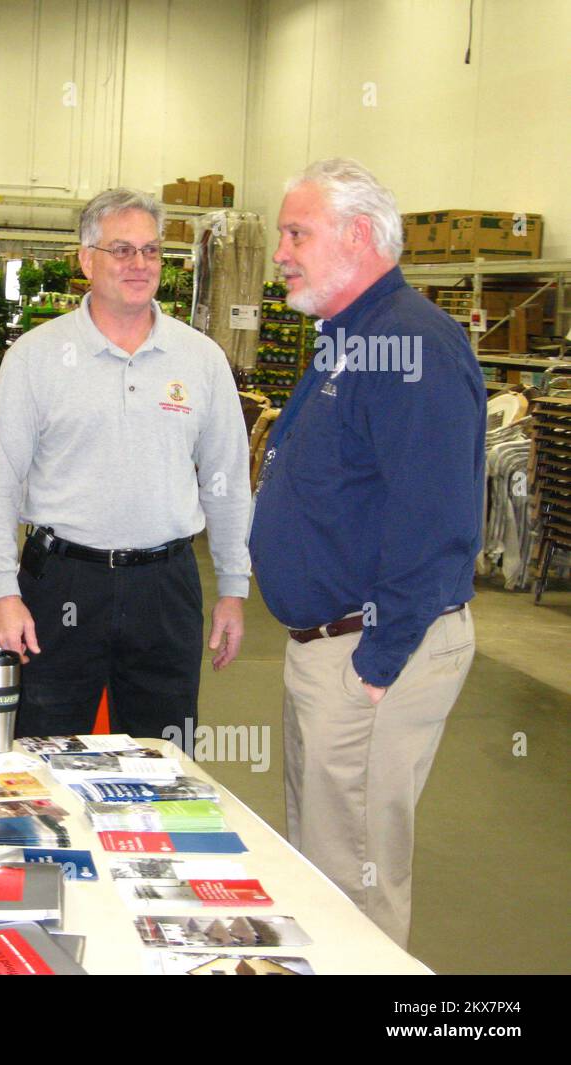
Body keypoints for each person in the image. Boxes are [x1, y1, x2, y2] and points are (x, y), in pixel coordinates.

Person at [249, 158, 485, 948]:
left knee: (353, 885)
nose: (280, 251)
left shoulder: (412, 345)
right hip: (332, 648)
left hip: (373, 652)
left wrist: (377, 661)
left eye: (295, 233)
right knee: (322, 866)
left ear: (357, 236)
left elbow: (437, 519)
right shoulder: (349, 338)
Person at [0, 188, 251, 744]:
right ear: (86, 258)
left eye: (151, 251)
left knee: (164, 761)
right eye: (121, 250)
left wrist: (233, 586)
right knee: (44, 754)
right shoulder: (36, 356)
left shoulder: (201, 359)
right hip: (60, 584)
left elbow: (227, 481)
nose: (139, 264)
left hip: (166, 587)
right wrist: (3, 592)